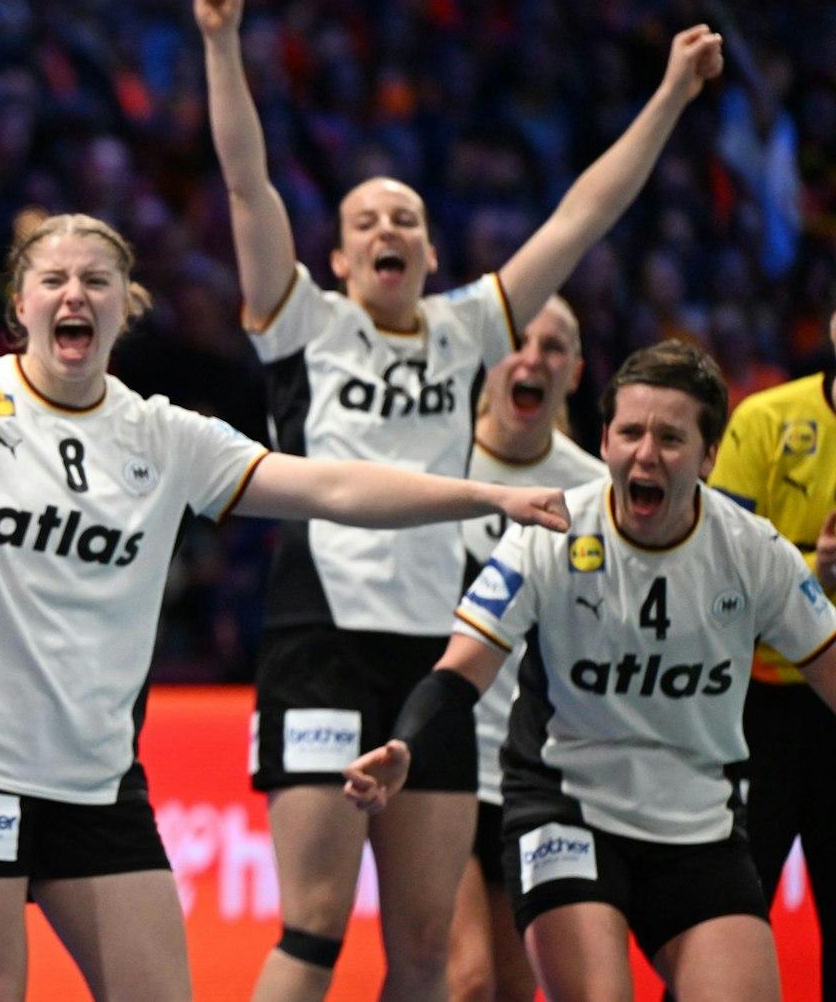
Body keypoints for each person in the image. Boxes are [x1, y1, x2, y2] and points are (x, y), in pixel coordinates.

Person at [0, 213, 570, 1002]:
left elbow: (333, 485)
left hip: (100, 784)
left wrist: (488, 494)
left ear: (126, 304)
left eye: (96, 280)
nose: (75, 295)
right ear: (19, 304)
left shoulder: (164, 436)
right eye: (53, 280)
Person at [194, 0, 725, 1000]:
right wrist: (219, 43)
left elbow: (579, 218)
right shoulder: (300, 324)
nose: (386, 230)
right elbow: (245, 184)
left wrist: (667, 93)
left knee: (427, 956)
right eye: (363, 223)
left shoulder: (463, 331)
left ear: (431, 254)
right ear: (337, 261)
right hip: (318, 647)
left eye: (405, 220)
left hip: (430, 667)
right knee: (307, 932)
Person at [345, 341, 836, 1002]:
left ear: (709, 455)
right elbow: (461, 669)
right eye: (631, 431)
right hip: (568, 808)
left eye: (671, 436)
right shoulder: (548, 531)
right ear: (604, 440)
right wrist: (407, 744)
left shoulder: (752, 550)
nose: (646, 453)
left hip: (699, 823)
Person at [449, 297, 604, 1002]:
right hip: (441, 762)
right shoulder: (433, 461)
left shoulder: (592, 491)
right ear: (488, 356)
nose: (534, 356)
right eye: (520, 339)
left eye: (555, 346)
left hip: (533, 772)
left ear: (573, 373)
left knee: (516, 984)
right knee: (464, 975)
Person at [707, 307, 836, 996]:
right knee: (727, 909)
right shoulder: (763, 419)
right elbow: (718, 565)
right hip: (758, 708)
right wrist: (812, 574)